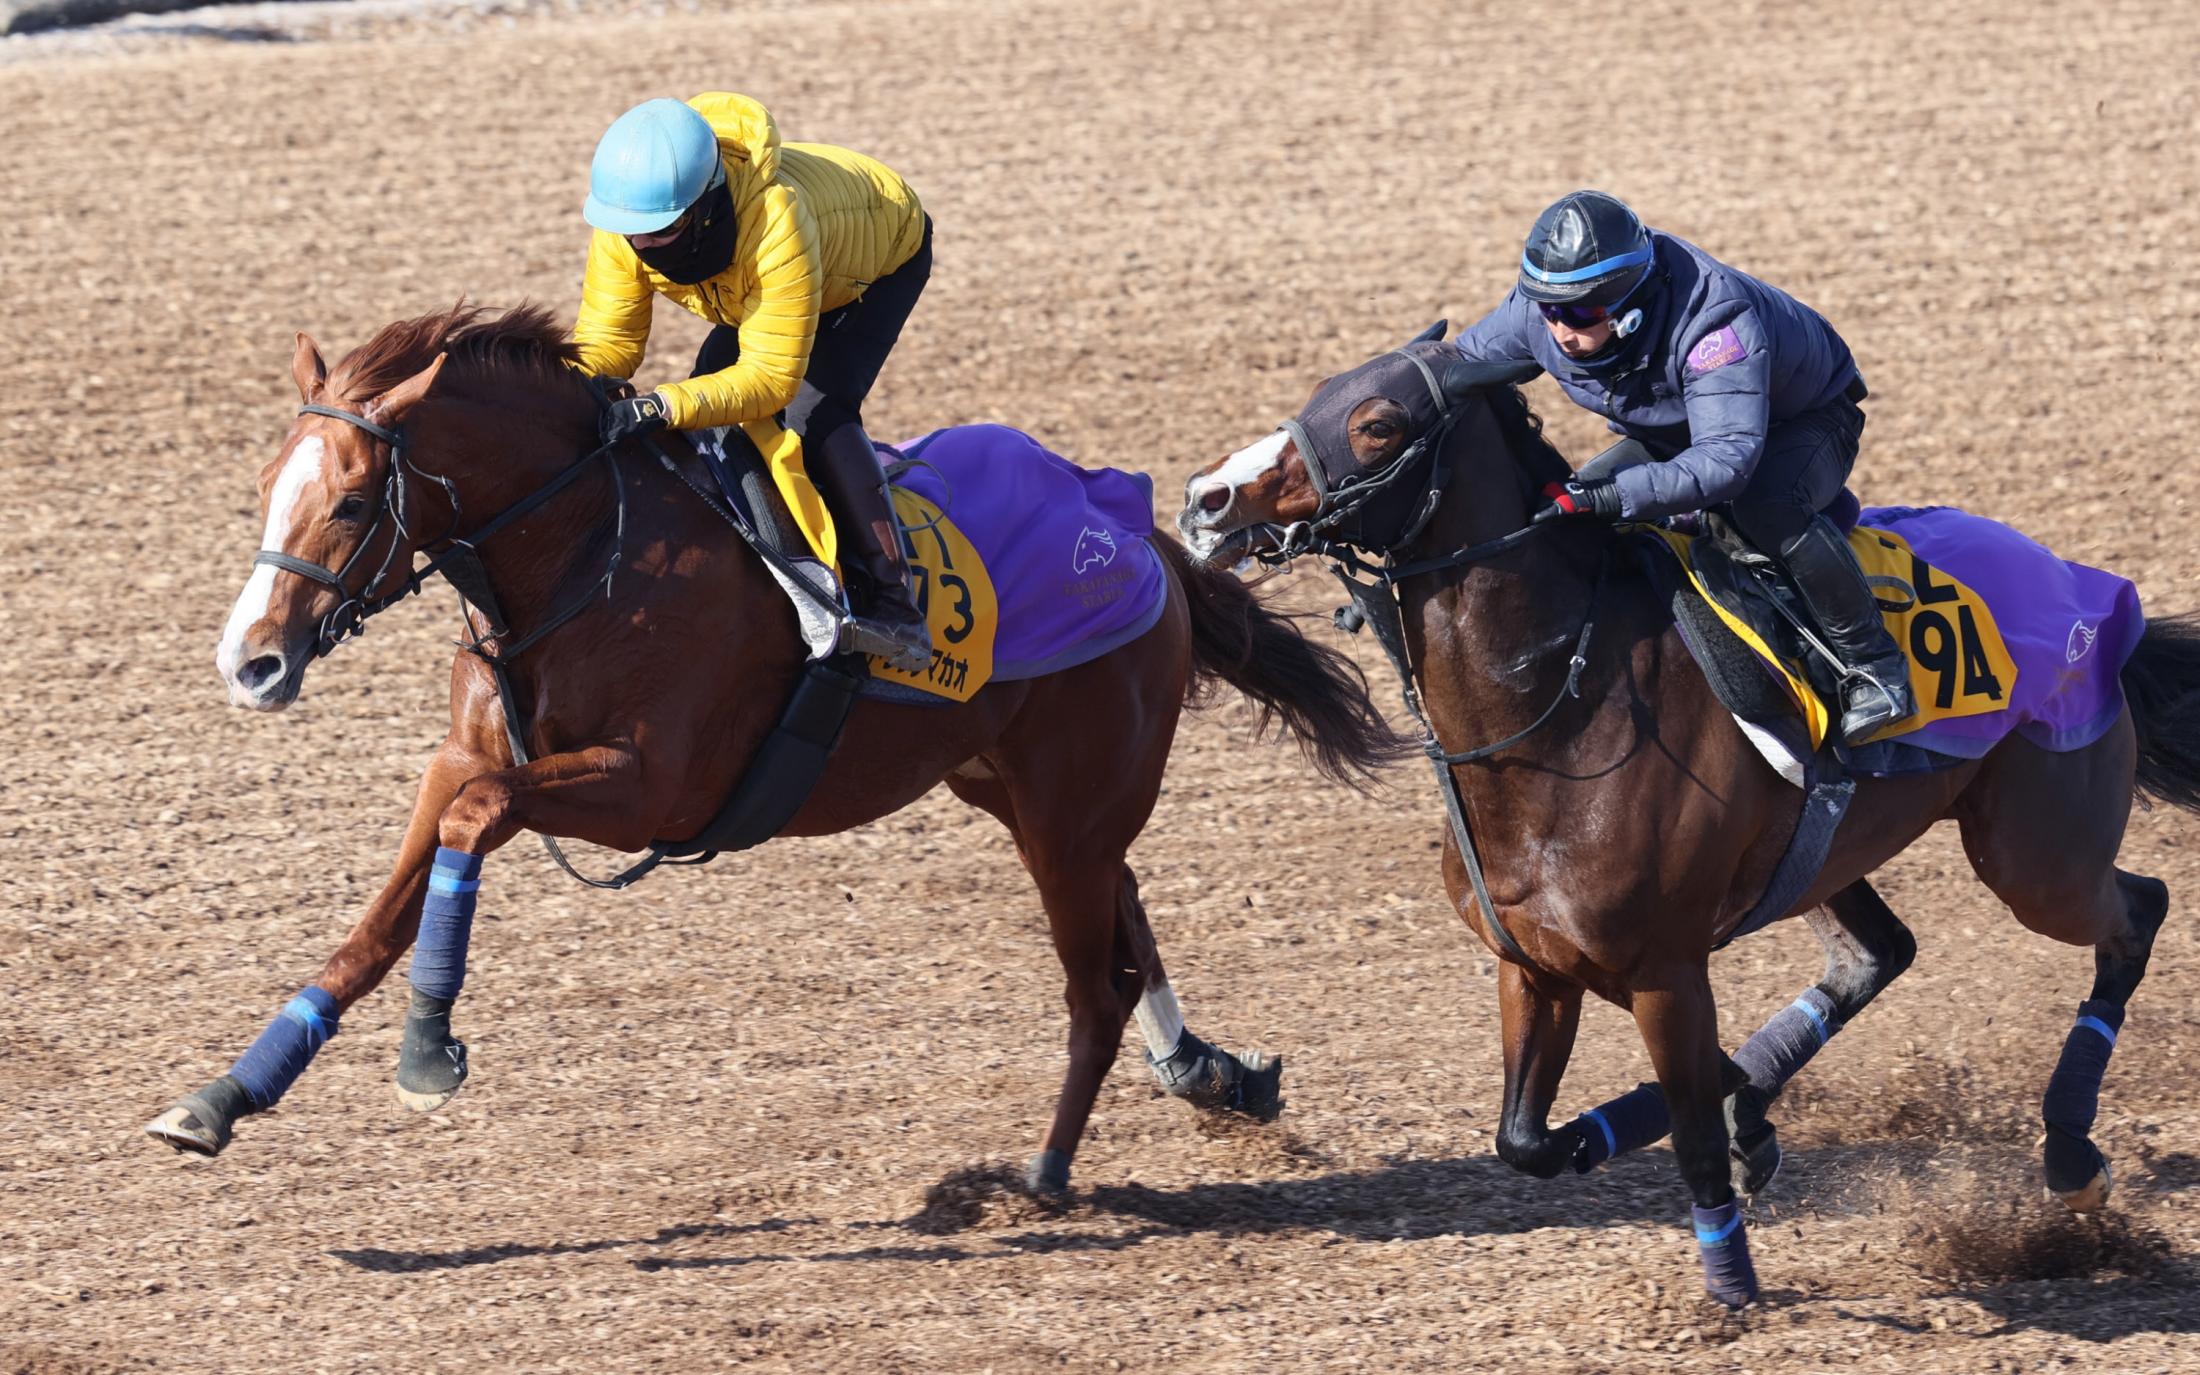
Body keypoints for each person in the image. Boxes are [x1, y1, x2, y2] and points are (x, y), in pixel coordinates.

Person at [1455, 190, 1915, 744]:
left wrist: (1612, 496)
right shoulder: (1544, 309)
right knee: (1565, 508)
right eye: (1548, 309)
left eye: (1579, 314)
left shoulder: (1715, 323)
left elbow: (1726, 462)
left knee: (1764, 507)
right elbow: (1460, 366)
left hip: (1801, 425)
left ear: (1632, 307)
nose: (1558, 329)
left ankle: (1875, 668)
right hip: (1677, 434)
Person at [572, 93, 934, 671]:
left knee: (814, 413)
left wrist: (662, 405)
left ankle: (896, 604)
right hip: (763, 286)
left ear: (705, 207)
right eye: (630, 232)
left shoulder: (775, 221)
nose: (639, 246)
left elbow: (770, 380)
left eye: (658, 232)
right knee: (708, 403)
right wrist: (553, 385)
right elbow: (608, 345)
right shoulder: (629, 222)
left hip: (875, 256)